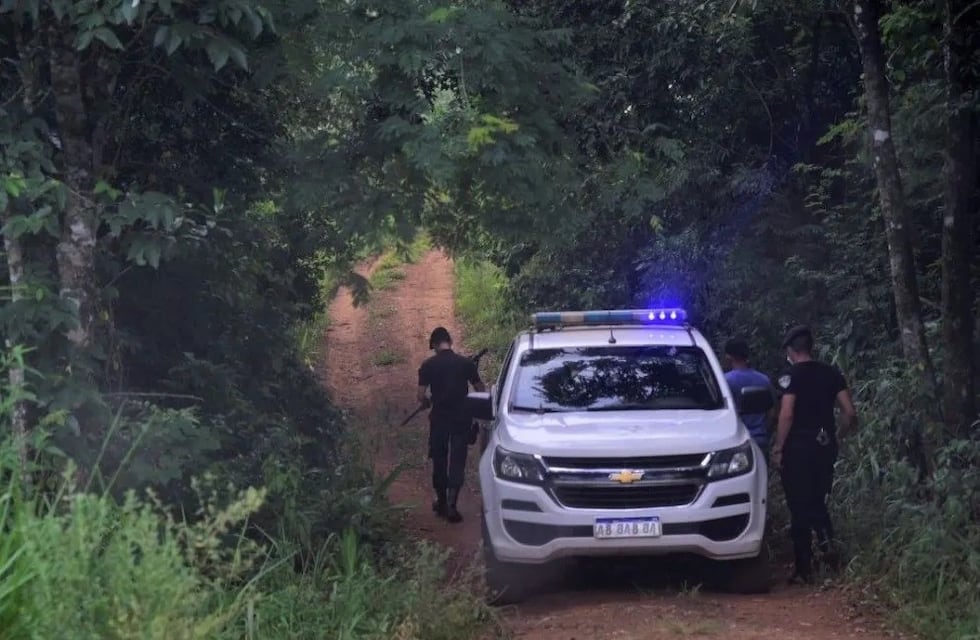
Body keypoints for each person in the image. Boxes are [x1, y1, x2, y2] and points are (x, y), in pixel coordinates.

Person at [772, 325, 858, 584]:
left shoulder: (790, 376)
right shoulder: (832, 373)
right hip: (824, 446)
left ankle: (803, 568)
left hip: (797, 448)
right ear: (811, 347)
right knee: (818, 501)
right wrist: (837, 436)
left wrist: (778, 447)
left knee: (798, 506)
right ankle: (830, 554)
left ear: (790, 350)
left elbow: (787, 413)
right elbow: (850, 413)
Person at [417, 326, 486, 523]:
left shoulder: (428, 365)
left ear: (434, 346)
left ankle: (440, 502)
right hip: (461, 419)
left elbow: (420, 396)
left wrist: (427, 402)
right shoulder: (465, 364)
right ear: (450, 342)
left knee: (439, 458)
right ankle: (452, 505)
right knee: (457, 460)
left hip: (439, 419)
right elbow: (481, 390)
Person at [723, 338, 774, 460]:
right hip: (760, 439)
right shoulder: (764, 380)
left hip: (736, 442)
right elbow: (771, 413)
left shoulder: (725, 381)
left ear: (729, 357)